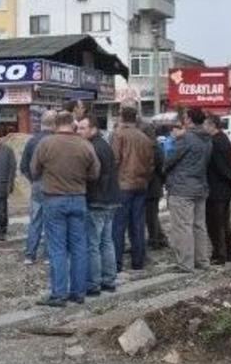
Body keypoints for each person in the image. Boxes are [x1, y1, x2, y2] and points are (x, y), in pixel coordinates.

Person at [31, 111, 100, 307]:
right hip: (78, 198)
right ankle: (78, 293)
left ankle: (59, 294)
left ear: (54, 125)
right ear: (73, 124)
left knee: (57, 248)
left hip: (53, 199)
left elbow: (34, 170)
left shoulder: (46, 144)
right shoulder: (85, 145)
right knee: (79, 247)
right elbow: (95, 173)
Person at [164, 108, 212, 272]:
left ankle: (185, 263)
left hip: (182, 187)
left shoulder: (186, 138)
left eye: (185, 117)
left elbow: (169, 159)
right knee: (199, 225)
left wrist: (171, 142)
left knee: (182, 226)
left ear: (189, 119)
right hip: (200, 185)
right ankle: (202, 260)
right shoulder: (207, 138)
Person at [110, 106, 156, 272]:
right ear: (135, 118)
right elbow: (151, 164)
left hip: (123, 185)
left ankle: (116, 263)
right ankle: (138, 262)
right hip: (141, 185)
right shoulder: (144, 138)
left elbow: (114, 160)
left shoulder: (119, 135)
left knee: (119, 225)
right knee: (138, 224)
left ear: (121, 118)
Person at [77, 116, 119, 296]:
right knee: (107, 242)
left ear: (93, 129)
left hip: (96, 200)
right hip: (110, 199)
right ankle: (109, 280)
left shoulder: (92, 147)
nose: (78, 132)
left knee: (93, 244)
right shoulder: (105, 145)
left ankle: (93, 284)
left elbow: (92, 175)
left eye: (82, 128)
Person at [20, 110, 56, 264]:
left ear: (41, 123)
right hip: (54, 186)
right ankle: (48, 255)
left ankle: (30, 254)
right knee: (51, 221)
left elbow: (23, 166)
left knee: (35, 220)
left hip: (37, 185)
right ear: (54, 124)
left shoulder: (32, 141)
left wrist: (33, 180)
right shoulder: (56, 141)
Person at [204, 113, 231, 265]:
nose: (204, 127)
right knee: (225, 222)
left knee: (215, 224)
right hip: (225, 188)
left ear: (212, 125)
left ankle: (219, 254)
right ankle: (229, 252)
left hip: (216, 189)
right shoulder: (224, 139)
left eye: (206, 125)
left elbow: (218, 166)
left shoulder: (214, 142)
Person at [143, 122, 169, 251]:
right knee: (152, 215)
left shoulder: (155, 148)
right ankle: (159, 237)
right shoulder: (156, 147)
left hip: (152, 186)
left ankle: (155, 240)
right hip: (154, 185)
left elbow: (161, 167)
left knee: (151, 215)